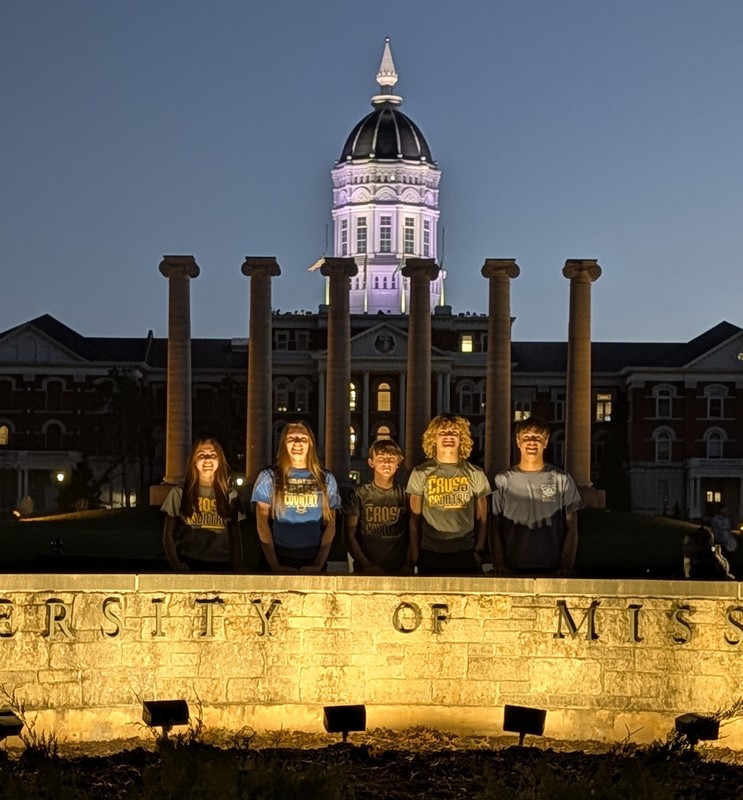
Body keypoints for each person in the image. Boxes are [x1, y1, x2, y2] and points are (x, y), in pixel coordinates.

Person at [491, 417, 583, 576]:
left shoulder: (562, 479)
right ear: (518, 442)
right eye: (526, 437)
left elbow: (572, 528)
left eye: (538, 438)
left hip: (552, 568)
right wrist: (499, 564)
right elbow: (494, 527)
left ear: (546, 442)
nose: (532, 442)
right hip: (511, 569)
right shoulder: (502, 480)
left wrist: (566, 565)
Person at [406, 413, 491, 575]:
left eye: (454, 433)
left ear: (461, 439)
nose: (448, 437)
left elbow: (483, 517)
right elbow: (414, 518)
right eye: (442, 433)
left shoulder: (476, 473)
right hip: (430, 551)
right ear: (434, 439)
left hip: (465, 552)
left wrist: (478, 550)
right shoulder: (420, 473)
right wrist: (416, 552)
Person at [251, 421, 340, 573]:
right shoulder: (269, 477)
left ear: (310, 444)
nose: (297, 442)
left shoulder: (326, 479)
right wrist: (275, 565)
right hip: (279, 556)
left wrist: (318, 564)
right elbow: (262, 524)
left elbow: (331, 526)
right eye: (292, 438)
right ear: (284, 443)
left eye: (303, 438)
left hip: (312, 557)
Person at [161, 437, 244, 573]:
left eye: (212, 455)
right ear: (194, 460)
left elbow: (236, 536)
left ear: (219, 460)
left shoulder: (230, 495)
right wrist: (176, 563)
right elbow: (168, 535)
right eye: (201, 455)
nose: (207, 459)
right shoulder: (179, 493)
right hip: (188, 563)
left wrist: (237, 566)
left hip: (222, 565)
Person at [343, 439, 410, 574]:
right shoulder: (358, 494)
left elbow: (413, 533)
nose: (386, 462)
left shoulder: (406, 495)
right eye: (381, 458)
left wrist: (409, 564)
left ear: (398, 463)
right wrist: (367, 566)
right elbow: (349, 535)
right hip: (365, 570)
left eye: (391, 458)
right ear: (371, 462)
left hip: (399, 570)